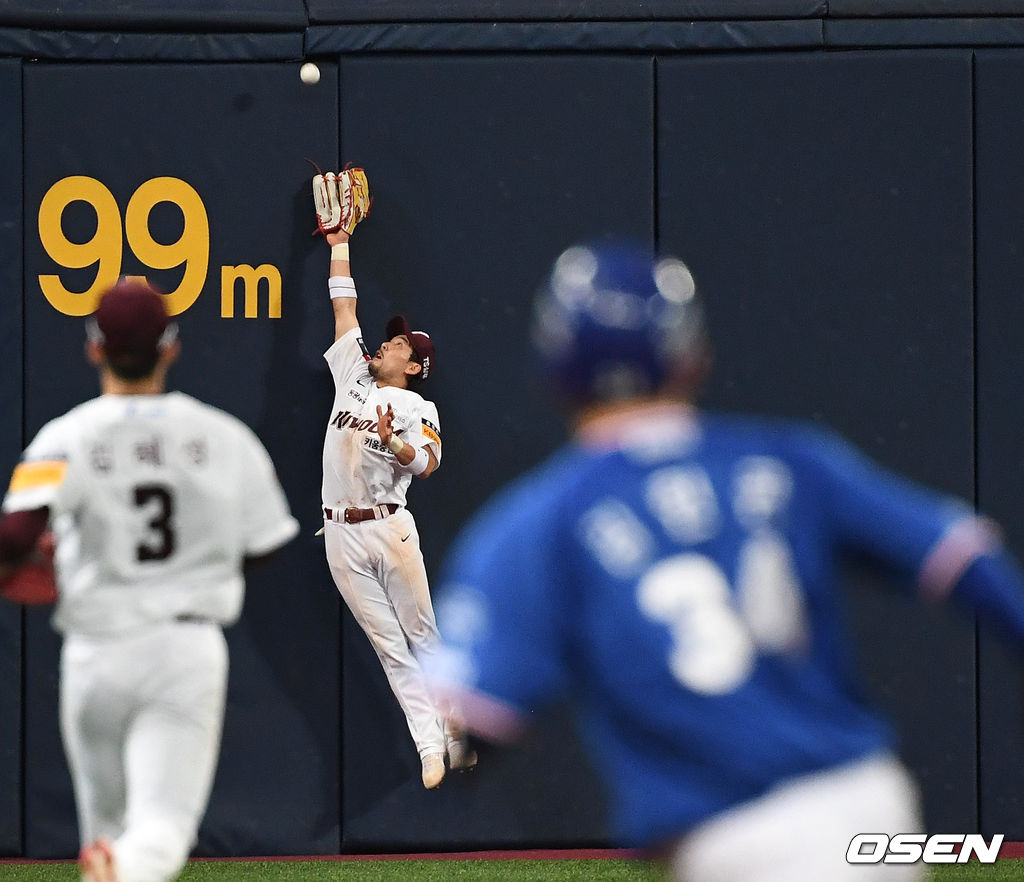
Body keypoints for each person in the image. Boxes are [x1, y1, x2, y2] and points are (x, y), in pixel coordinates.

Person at [425, 240, 1024, 880]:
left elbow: (475, 718)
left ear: (554, 368)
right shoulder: (791, 461)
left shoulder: (539, 521)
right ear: (691, 359)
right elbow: (967, 560)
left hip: (733, 839)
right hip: (866, 803)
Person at [0, 279, 299, 882]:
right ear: (171, 346)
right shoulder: (224, 437)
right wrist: (200, 557)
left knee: (106, 832)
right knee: (160, 833)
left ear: (94, 349)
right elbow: (266, 547)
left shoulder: (65, 437)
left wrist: (49, 562)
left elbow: (12, 540)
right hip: (183, 651)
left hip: (96, 650)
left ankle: (111, 865)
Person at [311, 168, 475, 790]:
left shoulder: (417, 408)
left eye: (400, 344)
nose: (387, 344)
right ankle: (429, 746)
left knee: (424, 636)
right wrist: (339, 242)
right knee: (390, 648)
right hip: (339, 534)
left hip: (390, 530)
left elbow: (428, 463)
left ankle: (457, 730)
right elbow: (343, 304)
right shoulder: (353, 375)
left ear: (416, 365)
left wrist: (394, 442)